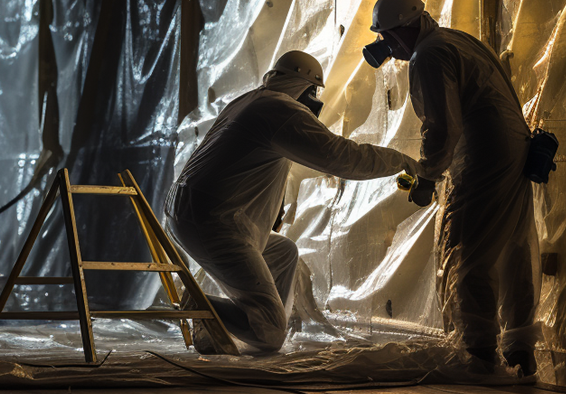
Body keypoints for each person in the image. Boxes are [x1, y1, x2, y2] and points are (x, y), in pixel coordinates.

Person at [165, 50, 420, 354]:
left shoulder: (253, 100)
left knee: (283, 251)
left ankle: (242, 317)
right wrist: (401, 161)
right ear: (304, 87)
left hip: (197, 213)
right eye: (314, 93)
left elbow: (253, 161)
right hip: (212, 222)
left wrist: (272, 205)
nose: (315, 103)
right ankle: (207, 308)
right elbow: (340, 158)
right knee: (269, 334)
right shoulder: (279, 109)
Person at [362, 0, 540, 377]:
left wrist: (426, 177)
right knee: (513, 250)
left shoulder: (429, 55)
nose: (388, 47)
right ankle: (520, 353)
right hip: (513, 152)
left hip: (484, 157)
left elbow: (442, 127)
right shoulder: (456, 39)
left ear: (410, 26)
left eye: (391, 37)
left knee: (468, 253)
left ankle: (479, 358)